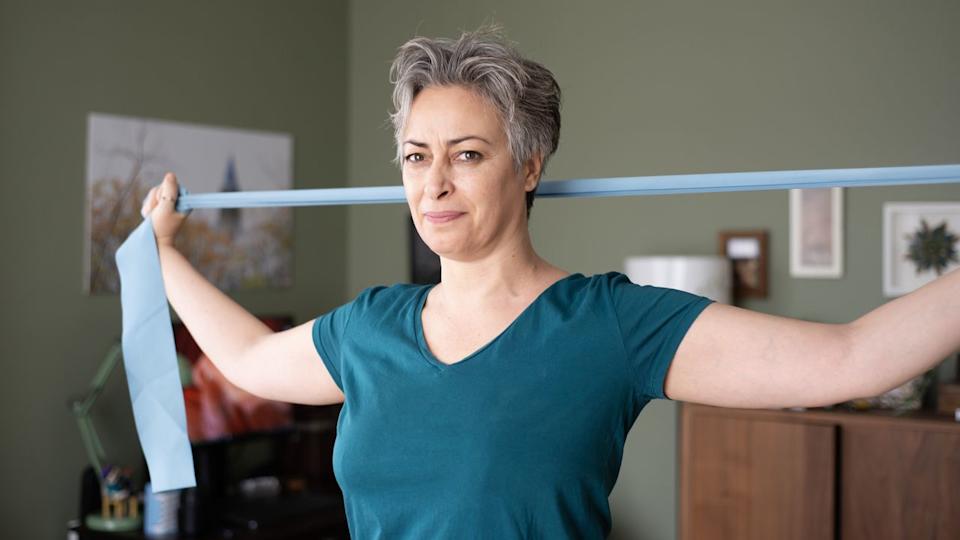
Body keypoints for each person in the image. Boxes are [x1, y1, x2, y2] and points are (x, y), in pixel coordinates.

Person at [140, 26, 960, 539]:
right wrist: (166, 253)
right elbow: (247, 358)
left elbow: (852, 357)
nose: (434, 186)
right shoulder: (369, 329)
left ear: (529, 166)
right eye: (417, 158)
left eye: (467, 155)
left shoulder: (607, 326)